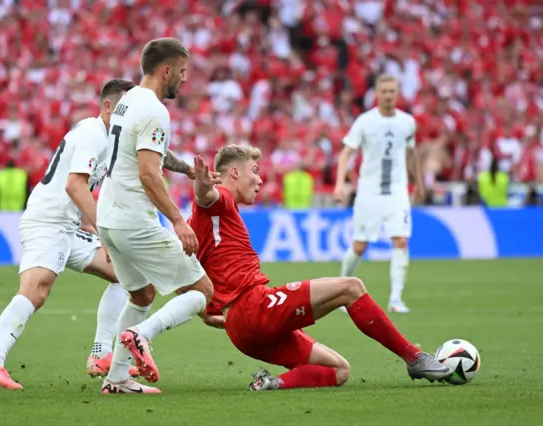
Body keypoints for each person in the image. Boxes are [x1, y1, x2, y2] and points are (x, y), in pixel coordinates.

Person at [0, 79, 198, 389]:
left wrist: (187, 169)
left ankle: (101, 354)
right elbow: (74, 185)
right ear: (107, 106)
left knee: (128, 279)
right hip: (47, 222)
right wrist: (103, 233)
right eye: (122, 108)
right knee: (36, 291)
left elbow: (157, 150)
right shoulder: (93, 133)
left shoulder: (116, 136)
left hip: (70, 227)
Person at [188, 144, 452, 392]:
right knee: (351, 287)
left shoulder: (196, 223)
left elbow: (180, 268)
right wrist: (202, 187)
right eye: (254, 172)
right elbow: (208, 195)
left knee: (338, 370)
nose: (259, 180)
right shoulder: (220, 197)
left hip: (240, 331)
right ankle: (414, 357)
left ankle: (270, 384)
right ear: (233, 172)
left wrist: (204, 311)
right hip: (253, 308)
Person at [97, 38, 218, 395]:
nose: (184, 80)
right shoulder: (154, 110)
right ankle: (141, 336)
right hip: (134, 220)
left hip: (110, 217)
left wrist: (190, 172)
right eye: (182, 72)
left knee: (142, 295)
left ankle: (116, 378)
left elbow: (156, 155)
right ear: (166, 70)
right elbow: (149, 174)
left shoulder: (128, 100)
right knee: (202, 291)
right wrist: (178, 221)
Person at [334, 74, 425, 313]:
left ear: (397, 94)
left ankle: (396, 299)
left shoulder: (407, 122)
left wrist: (419, 183)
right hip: (369, 193)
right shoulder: (365, 121)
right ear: (376, 94)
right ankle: (339, 291)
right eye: (383, 91)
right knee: (360, 246)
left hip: (397, 191)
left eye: (391, 91)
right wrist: (339, 184)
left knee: (401, 240)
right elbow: (346, 153)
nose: (387, 95)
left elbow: (410, 153)